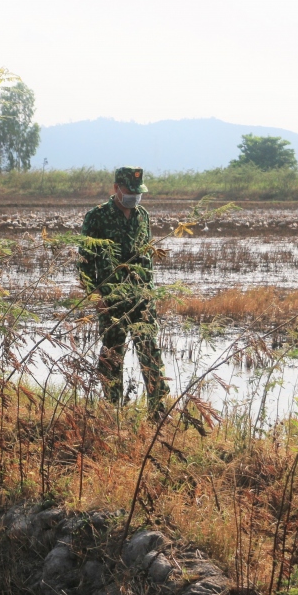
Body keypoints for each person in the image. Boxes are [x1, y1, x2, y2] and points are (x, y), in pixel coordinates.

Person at [77, 166, 169, 418]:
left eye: (138, 192)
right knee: (111, 357)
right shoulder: (96, 217)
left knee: (151, 353)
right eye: (130, 191)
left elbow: (147, 257)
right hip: (112, 301)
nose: (135, 196)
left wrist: (149, 293)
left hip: (142, 299)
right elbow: (84, 262)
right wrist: (95, 296)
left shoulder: (143, 215)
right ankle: (111, 411)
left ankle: (158, 410)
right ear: (116, 188)